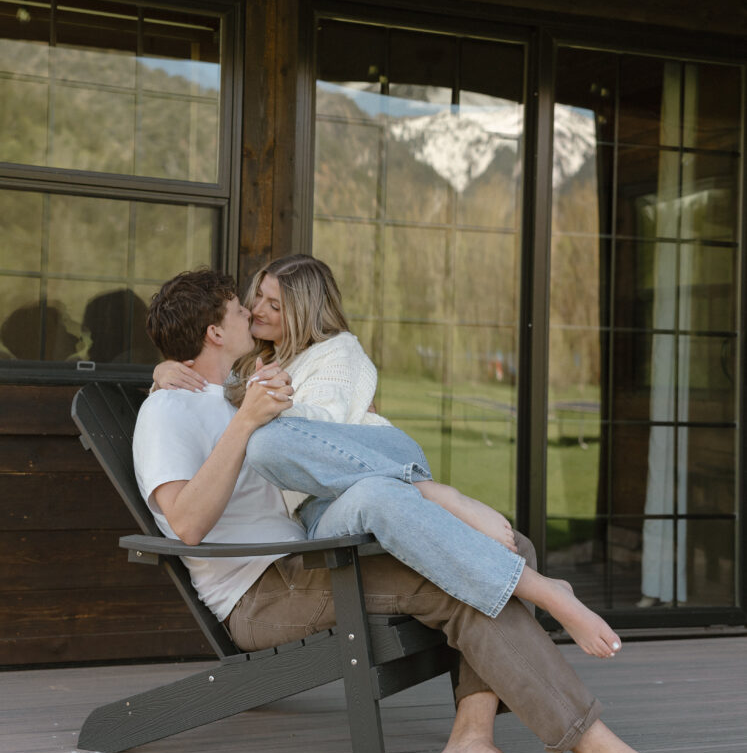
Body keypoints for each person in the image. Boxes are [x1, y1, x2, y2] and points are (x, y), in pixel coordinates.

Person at [135, 267, 740, 753]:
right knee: (467, 573)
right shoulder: (167, 410)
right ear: (216, 332)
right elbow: (185, 523)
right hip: (262, 593)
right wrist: (235, 419)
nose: (253, 313)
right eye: (241, 310)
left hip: (314, 559)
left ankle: (471, 742)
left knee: (500, 550)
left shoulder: (234, 391)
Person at [155, 255, 621, 660]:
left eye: (273, 305)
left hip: (380, 457)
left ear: (303, 313)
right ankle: (511, 567)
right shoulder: (254, 362)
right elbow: (216, 384)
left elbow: (323, 425)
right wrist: (163, 369)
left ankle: (432, 490)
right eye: (257, 297)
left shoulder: (337, 352)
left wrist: (264, 409)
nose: (257, 309)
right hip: (336, 503)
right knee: (332, 474)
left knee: (268, 442)